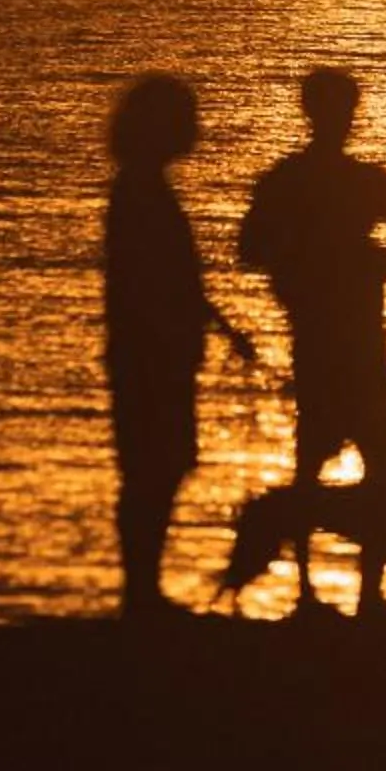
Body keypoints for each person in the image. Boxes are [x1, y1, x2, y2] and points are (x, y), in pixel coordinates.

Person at [238, 67, 386, 602]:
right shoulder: (363, 182)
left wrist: (370, 264)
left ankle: (313, 589)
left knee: (323, 462)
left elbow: (251, 249)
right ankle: (358, 592)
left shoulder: (289, 180)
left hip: (326, 337)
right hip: (348, 338)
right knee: (376, 463)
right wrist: (376, 263)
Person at [102, 71, 254, 615]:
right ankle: (140, 591)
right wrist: (177, 336)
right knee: (152, 469)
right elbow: (153, 283)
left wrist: (224, 329)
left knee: (158, 467)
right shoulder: (142, 194)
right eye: (186, 119)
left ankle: (142, 588)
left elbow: (179, 284)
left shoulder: (145, 190)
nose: (197, 129)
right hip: (151, 356)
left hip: (157, 352)